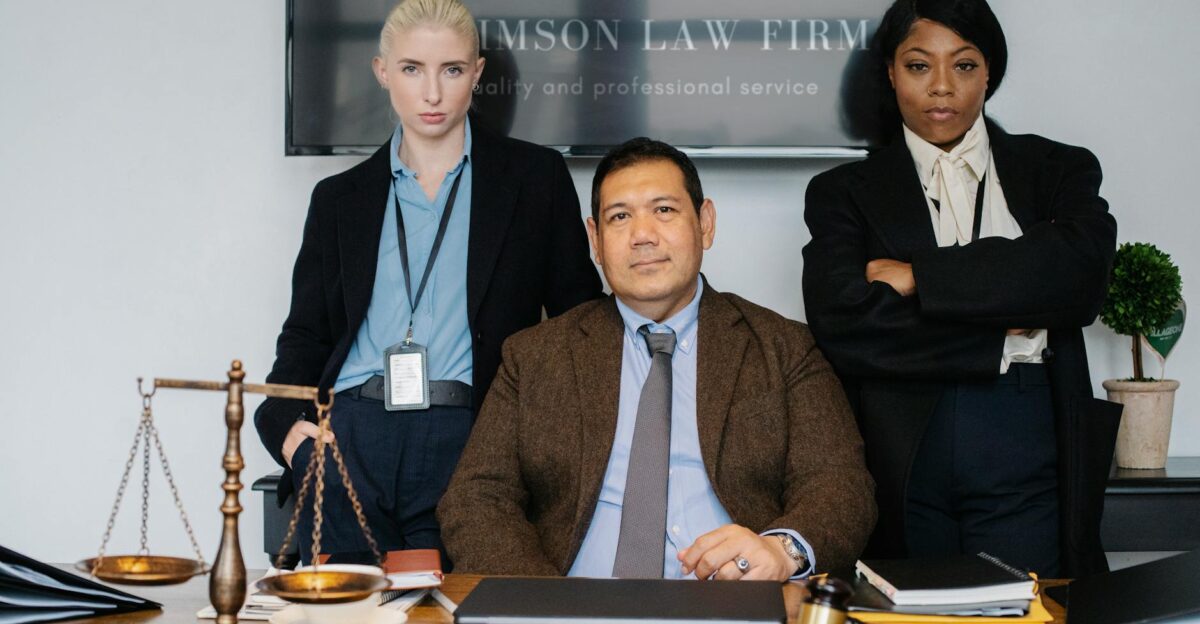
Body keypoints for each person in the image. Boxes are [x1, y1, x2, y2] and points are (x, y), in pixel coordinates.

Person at [253, 0, 601, 564]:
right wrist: (286, 433)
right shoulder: (339, 200)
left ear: (478, 73)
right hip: (349, 439)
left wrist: (535, 444)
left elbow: (578, 323)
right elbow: (304, 339)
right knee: (352, 612)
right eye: (412, 69)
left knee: (460, 608)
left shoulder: (534, 179)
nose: (432, 93)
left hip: (475, 437)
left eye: (452, 70)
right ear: (382, 72)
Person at [437, 138, 875, 580]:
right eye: (620, 217)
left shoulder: (782, 348)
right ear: (595, 239)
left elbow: (841, 485)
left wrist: (781, 550)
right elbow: (477, 497)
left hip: (730, 605)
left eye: (664, 210)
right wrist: (548, 604)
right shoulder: (534, 356)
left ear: (705, 223)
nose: (642, 235)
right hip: (576, 606)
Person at [802, 0, 1121, 577]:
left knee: (1028, 608)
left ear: (989, 73)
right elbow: (846, 324)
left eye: (965, 65)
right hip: (898, 446)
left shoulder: (1056, 169)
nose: (942, 87)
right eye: (920, 66)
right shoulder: (842, 191)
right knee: (905, 611)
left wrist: (918, 276)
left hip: (1027, 432)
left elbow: (1078, 276)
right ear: (891, 73)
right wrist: (1002, 328)